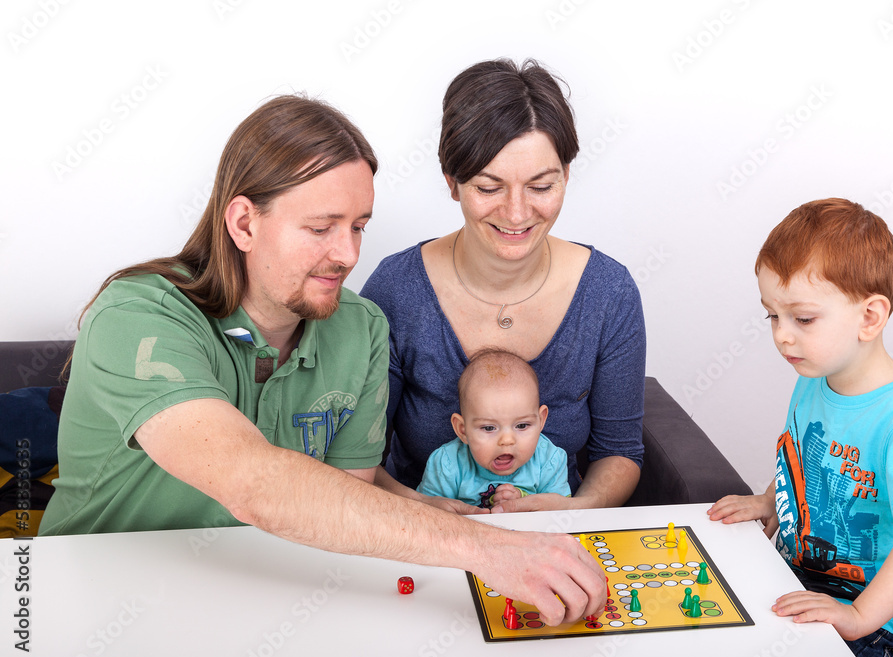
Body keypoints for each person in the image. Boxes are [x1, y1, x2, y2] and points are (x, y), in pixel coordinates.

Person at [38, 94, 606, 626]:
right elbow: (253, 481)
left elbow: (346, 504)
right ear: (243, 223)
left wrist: (477, 525)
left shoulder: (360, 328)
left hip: (266, 599)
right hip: (92, 605)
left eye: (359, 227)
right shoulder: (136, 315)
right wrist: (483, 548)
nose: (349, 254)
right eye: (320, 228)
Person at [361, 58, 645, 514]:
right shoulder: (396, 289)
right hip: (419, 536)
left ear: (566, 176)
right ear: (452, 182)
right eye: (489, 187)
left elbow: (620, 450)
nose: (516, 214)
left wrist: (571, 510)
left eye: (541, 185)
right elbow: (356, 456)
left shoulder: (609, 293)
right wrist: (421, 510)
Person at [708, 198, 893, 657]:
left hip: (871, 618)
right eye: (772, 316)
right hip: (795, 578)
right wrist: (768, 501)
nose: (782, 335)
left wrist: (860, 615)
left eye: (802, 319)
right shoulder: (813, 381)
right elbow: (803, 466)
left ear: (870, 317)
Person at [417, 348, 571, 508]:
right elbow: (427, 513)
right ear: (463, 430)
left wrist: (523, 501)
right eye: (489, 428)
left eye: (522, 425)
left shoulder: (550, 460)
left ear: (541, 420)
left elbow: (561, 513)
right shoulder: (447, 464)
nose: (507, 440)